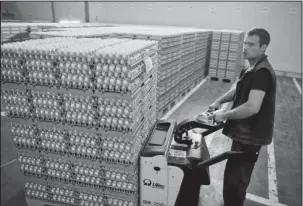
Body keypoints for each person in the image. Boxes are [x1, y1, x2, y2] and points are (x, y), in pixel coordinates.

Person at [208, 28, 277, 206]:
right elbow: (237, 89)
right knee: (232, 178)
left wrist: (223, 115)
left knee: (236, 182)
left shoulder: (262, 72)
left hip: (251, 137)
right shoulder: (250, 68)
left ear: (263, 47)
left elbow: (253, 107)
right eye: (245, 43)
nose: (245, 47)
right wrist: (218, 101)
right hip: (243, 133)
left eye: (251, 44)